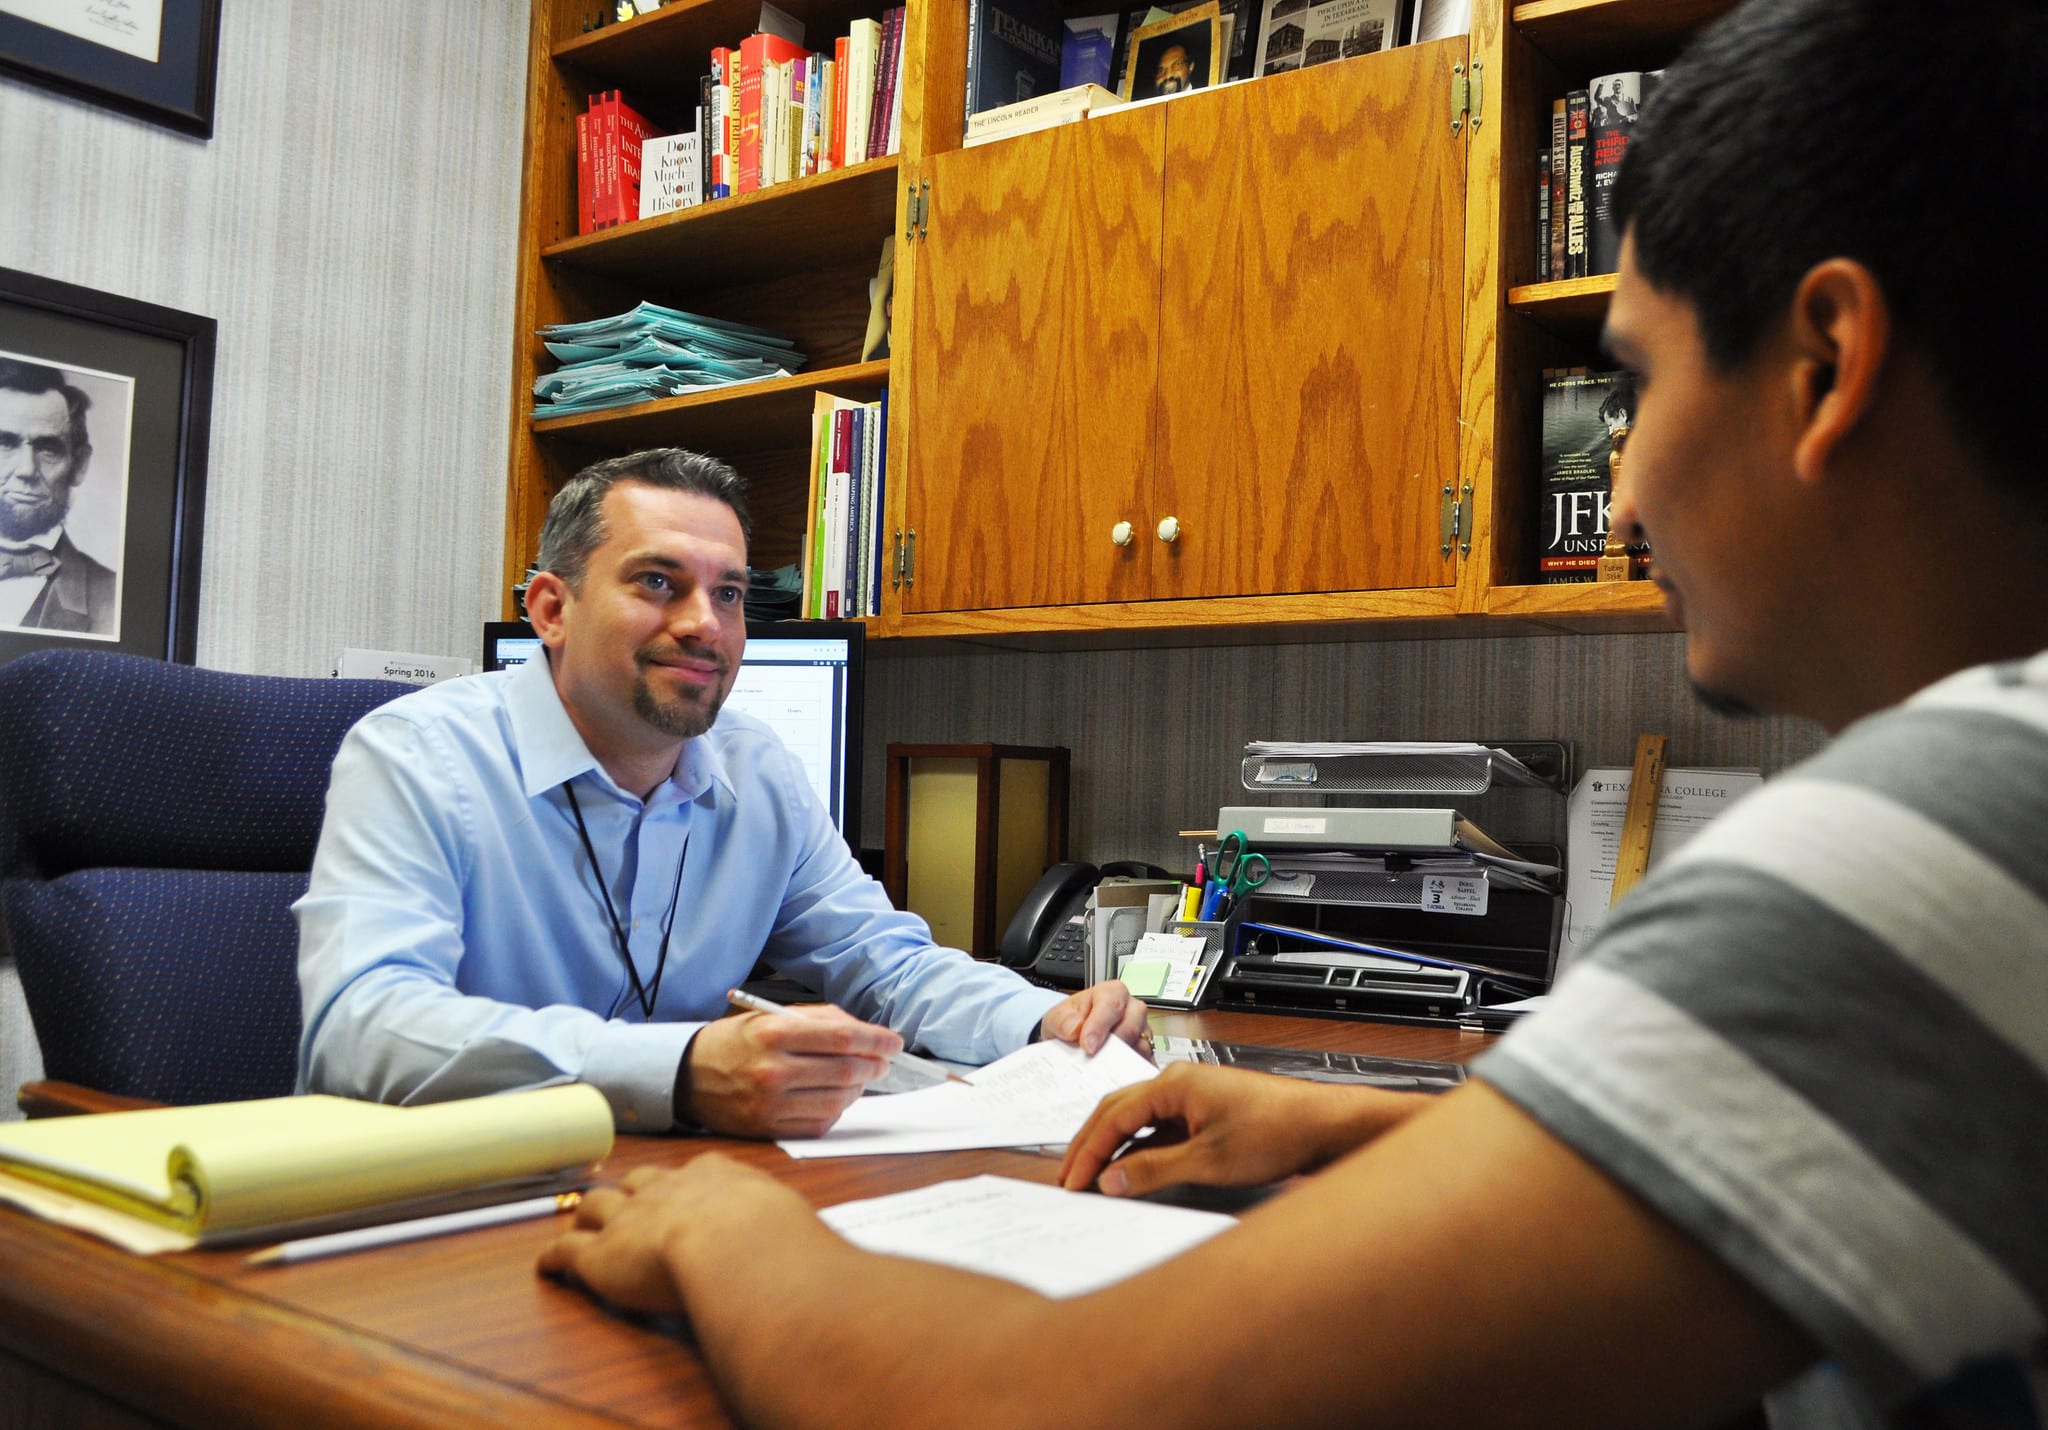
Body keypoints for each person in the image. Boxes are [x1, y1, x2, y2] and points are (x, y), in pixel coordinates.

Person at [537, 1, 2048, 1424]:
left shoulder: (1959, 832)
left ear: (1828, 362)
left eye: (1638, 384)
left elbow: (1027, 1401)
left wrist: (727, 1231)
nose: (1629, 483)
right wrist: (1344, 1123)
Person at [297, 448, 1144, 1136]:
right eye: (658, 582)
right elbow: (362, 1029)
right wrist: (682, 1070)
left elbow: (885, 962)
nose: (706, 622)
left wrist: (1044, 1021)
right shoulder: (416, 755)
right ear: (551, 609)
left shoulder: (756, 771)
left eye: (729, 593)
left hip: (668, 1196)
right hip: (446, 1195)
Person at [0, 358, 116, 635]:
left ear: (79, 465)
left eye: (48, 449)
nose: (27, 469)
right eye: (4, 443)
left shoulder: (113, 598)